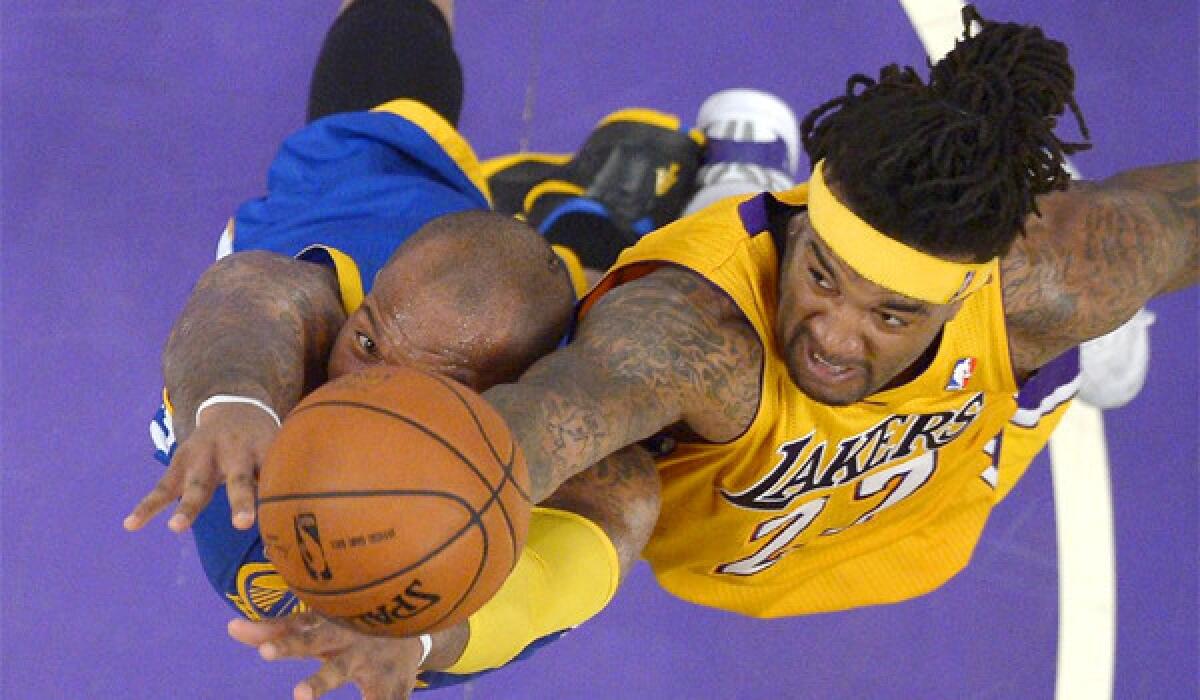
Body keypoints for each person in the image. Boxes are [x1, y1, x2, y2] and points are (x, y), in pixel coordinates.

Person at [224, 5, 1196, 694]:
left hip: (935, 509)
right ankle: (718, 195)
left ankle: (1073, 359)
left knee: (1085, 321)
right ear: (803, 224)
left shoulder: (1067, 273)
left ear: (959, 295)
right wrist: (403, 602)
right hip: (718, 516)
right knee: (586, 301)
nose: (833, 334)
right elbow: (513, 446)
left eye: (889, 317)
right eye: (819, 275)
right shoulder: (684, 339)